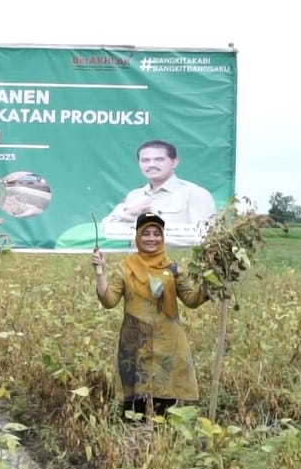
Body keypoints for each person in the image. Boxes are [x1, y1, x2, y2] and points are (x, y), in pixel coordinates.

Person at [91, 212, 208, 420]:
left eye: (157, 233)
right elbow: (109, 301)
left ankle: (159, 450)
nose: (152, 238)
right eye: (146, 233)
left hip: (168, 346)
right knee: (133, 411)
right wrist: (100, 272)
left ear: (163, 237)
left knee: (163, 411)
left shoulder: (173, 268)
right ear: (138, 237)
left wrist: (213, 281)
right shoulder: (126, 267)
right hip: (135, 346)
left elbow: (192, 299)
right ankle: (134, 450)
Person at [102, 139, 217, 226]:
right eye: (145, 160)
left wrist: (154, 238)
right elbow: (106, 227)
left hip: (178, 257)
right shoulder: (135, 196)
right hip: (139, 257)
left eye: (159, 159)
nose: (151, 164)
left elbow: (206, 237)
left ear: (175, 162)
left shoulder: (194, 193)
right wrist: (130, 212)